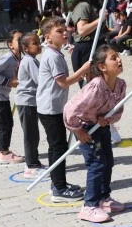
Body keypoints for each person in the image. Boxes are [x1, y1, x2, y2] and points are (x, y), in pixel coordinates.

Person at [64, 46, 127, 223]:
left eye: (118, 56)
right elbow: (70, 109)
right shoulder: (95, 86)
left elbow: (118, 108)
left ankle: (103, 198)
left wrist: (108, 119)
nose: (119, 60)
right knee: (97, 164)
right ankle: (89, 205)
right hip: (86, 129)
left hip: (102, 128)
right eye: (113, 58)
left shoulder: (121, 84)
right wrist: (78, 130)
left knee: (108, 162)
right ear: (102, 67)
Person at [36, 17, 92, 203]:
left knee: (57, 146)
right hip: (51, 109)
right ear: (48, 37)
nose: (65, 33)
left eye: (65, 30)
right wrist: (83, 70)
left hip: (53, 106)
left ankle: (58, 182)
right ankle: (59, 188)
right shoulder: (52, 56)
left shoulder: (55, 53)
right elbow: (63, 82)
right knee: (58, 147)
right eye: (59, 32)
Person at [0, 30, 24, 165]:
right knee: (4, 124)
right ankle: (3, 153)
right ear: (10, 45)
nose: (22, 41)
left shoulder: (20, 57)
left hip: (3, 95)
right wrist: (8, 82)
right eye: (18, 40)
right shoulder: (8, 58)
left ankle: (4, 149)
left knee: (8, 123)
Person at [69, 0, 110, 87]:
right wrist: (100, 19)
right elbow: (82, 30)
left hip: (97, 45)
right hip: (88, 49)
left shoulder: (93, 7)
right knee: (91, 88)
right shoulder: (83, 6)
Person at [16, 32, 44, 179]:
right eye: (35, 43)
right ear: (25, 48)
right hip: (26, 102)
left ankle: (35, 162)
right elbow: (40, 79)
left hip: (31, 102)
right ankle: (31, 166)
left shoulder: (32, 60)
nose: (39, 46)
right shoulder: (28, 61)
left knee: (34, 134)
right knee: (30, 135)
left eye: (39, 42)